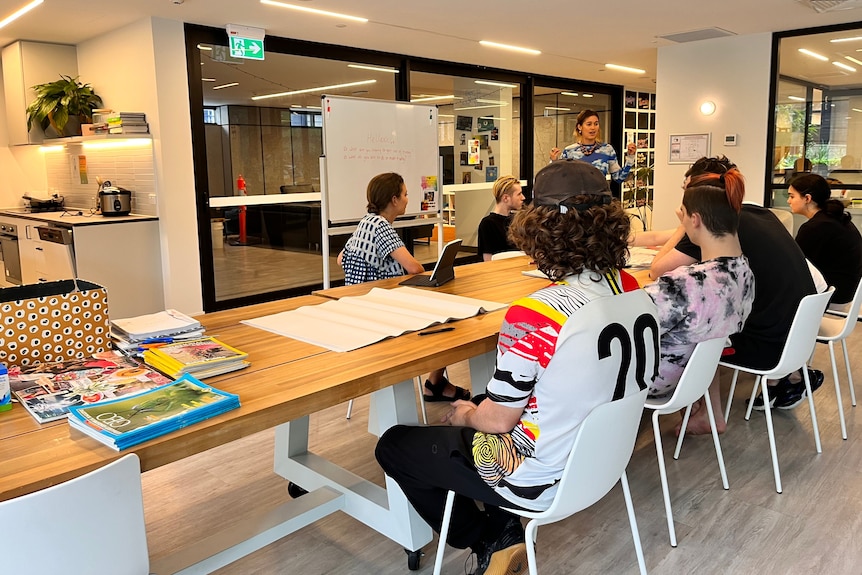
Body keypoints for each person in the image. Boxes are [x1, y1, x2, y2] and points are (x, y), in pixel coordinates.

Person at [375, 160, 655, 575]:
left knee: (395, 444)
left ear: (538, 231)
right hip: (603, 461)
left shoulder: (539, 313)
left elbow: (498, 421)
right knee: (484, 417)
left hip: (541, 476)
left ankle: (488, 539)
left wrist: (467, 413)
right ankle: (501, 528)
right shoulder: (637, 293)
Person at [650, 156, 819, 431]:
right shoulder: (756, 217)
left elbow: (657, 269)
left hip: (770, 346)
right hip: (796, 337)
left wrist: (686, 223)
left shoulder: (717, 237)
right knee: (711, 320)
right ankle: (706, 412)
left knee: (704, 325)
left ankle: (707, 413)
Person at [338, 172, 470, 402]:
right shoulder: (381, 227)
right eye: (405, 194)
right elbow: (414, 268)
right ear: (394, 200)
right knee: (448, 321)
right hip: (381, 309)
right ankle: (435, 383)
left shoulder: (366, 222)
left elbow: (341, 259)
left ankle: (436, 384)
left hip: (359, 305)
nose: (408, 199)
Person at [643, 168, 754, 399]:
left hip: (653, 380)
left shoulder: (683, 284)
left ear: (694, 220)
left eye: (682, 214)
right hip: (695, 377)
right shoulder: (744, 272)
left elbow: (635, 329)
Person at [786, 173, 862, 312]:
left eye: (792, 196)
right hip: (846, 292)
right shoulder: (836, 219)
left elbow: (797, 268)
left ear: (807, 198)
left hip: (832, 297)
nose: (788, 201)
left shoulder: (815, 227)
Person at [549, 109, 636, 184]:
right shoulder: (569, 151)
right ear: (580, 127)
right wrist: (553, 161)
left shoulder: (607, 149)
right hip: (575, 200)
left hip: (600, 200)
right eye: (589, 124)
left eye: (596, 124)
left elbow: (619, 178)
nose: (593, 128)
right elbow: (558, 179)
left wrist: (630, 158)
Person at [476, 175, 525, 261]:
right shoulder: (488, 224)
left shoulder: (517, 220)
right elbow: (488, 260)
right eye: (519, 194)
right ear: (506, 198)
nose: (523, 198)